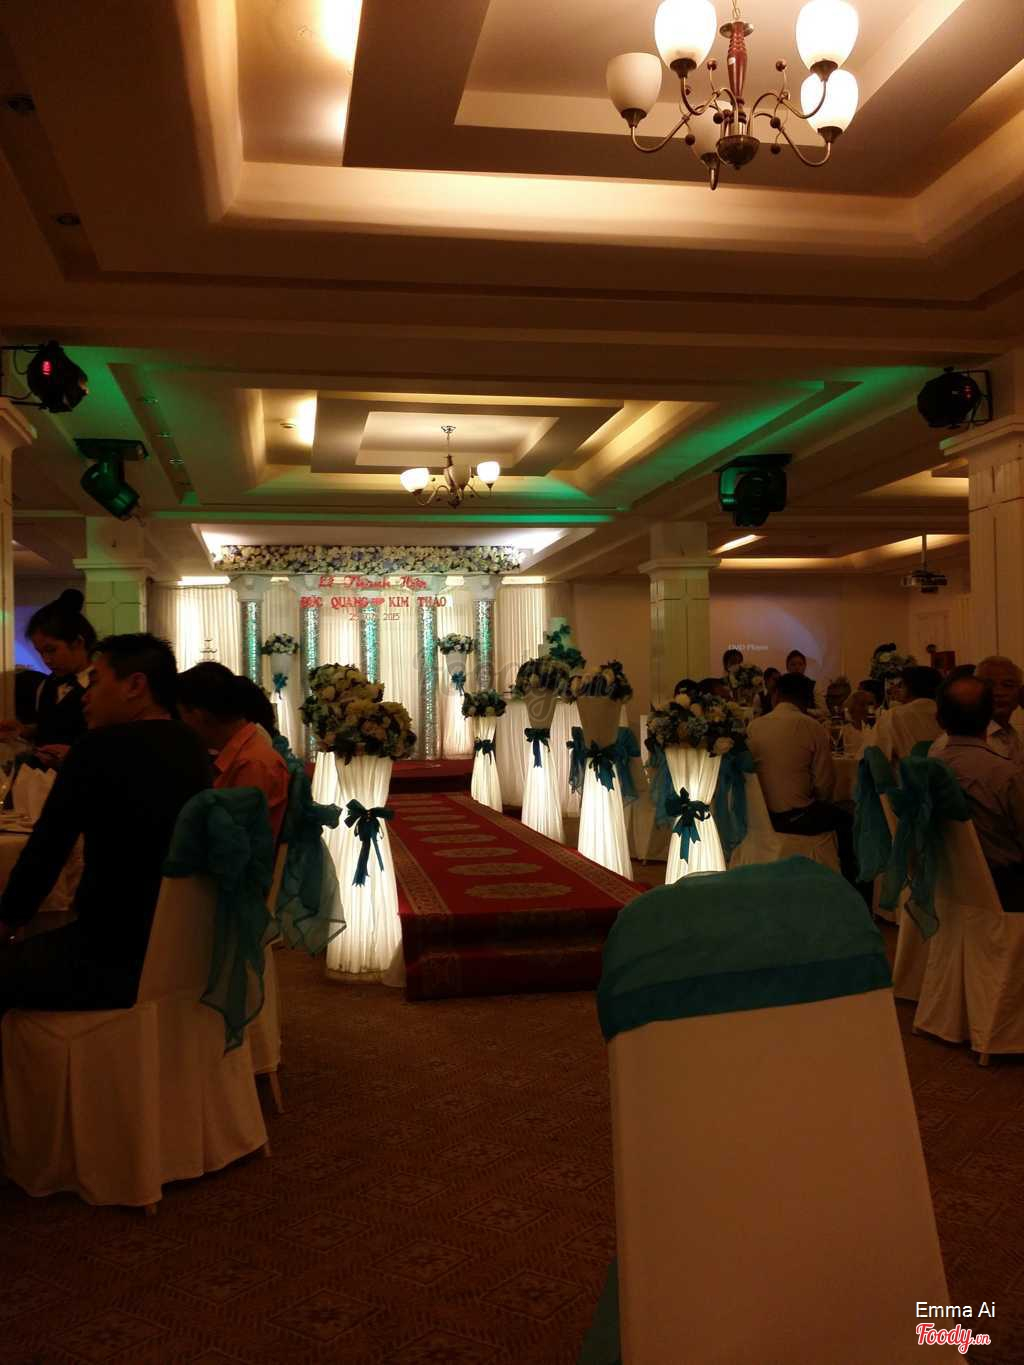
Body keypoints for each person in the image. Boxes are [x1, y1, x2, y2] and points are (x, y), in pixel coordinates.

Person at [0, 633, 212, 1011]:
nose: (85, 696)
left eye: (95, 682)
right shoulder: (192, 745)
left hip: (107, 956)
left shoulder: (97, 748)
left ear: (135, 686)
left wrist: (7, 921)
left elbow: (46, 852)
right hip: (182, 948)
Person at [747, 672, 855, 881]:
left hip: (760, 816)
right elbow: (825, 784)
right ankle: (850, 885)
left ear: (776, 695)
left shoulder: (755, 726)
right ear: (807, 700)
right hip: (797, 817)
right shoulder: (813, 727)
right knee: (847, 818)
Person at [929, 676, 1024, 910]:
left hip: (944, 885)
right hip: (1005, 889)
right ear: (989, 716)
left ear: (939, 719)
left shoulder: (927, 767)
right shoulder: (1005, 775)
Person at [177, 663, 290, 841]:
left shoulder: (252, 764)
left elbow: (233, 843)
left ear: (199, 716)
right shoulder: (243, 752)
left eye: (180, 715)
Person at [0, 589, 97, 767]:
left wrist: (75, 757)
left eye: (51, 650)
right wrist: (23, 731)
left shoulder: (102, 685)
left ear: (78, 642)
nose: (46, 660)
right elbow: (49, 728)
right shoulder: (46, 684)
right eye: (40, 652)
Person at [932, 655, 1023, 765]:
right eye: (988, 685)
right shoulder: (954, 743)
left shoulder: (1016, 736)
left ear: (1020, 692)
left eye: (1008, 685)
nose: (999, 692)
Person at [874, 665, 942, 762]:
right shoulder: (949, 713)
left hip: (907, 770)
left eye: (901, 685)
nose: (896, 689)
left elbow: (875, 755)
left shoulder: (894, 715)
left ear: (909, 688)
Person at [841, 689, 875, 759]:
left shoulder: (875, 728)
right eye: (862, 705)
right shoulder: (844, 731)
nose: (866, 708)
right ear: (852, 707)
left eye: (869, 705)